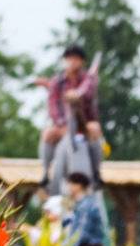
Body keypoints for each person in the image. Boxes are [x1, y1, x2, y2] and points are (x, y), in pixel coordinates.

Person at [34, 45, 103, 197]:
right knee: (47, 133)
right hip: (63, 125)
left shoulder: (88, 79)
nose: (72, 62)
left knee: (95, 129)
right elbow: (52, 105)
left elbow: (87, 91)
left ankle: (97, 172)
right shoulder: (57, 82)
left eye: (76, 59)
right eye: (69, 58)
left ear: (82, 61)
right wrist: (61, 124)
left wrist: (76, 95)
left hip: (84, 123)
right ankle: (46, 172)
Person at [63, 171, 108, 246]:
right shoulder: (79, 205)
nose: (68, 187)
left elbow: (82, 233)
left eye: (70, 184)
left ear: (78, 186)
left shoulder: (86, 205)